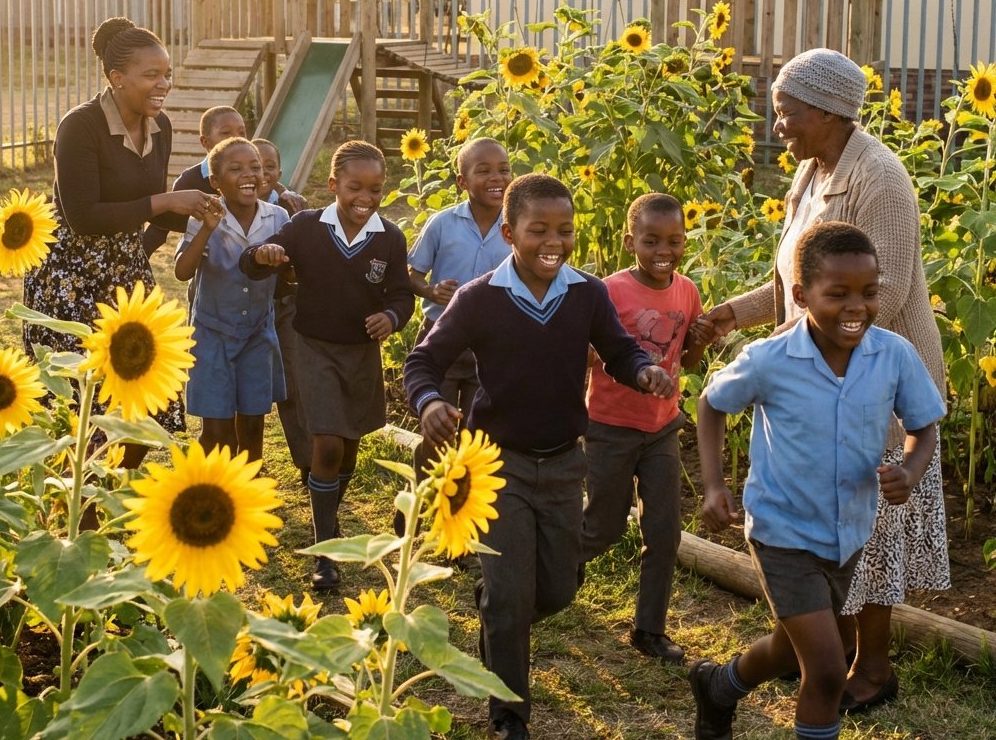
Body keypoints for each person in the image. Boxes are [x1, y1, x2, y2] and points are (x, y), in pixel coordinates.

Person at [705, 47, 949, 713]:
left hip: (878, 378)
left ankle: (871, 668)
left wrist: (783, 353)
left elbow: (886, 293)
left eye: (786, 112)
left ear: (829, 111)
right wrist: (732, 314)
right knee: (831, 515)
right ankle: (820, 648)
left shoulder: (881, 179)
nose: (777, 125)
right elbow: (802, 281)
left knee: (871, 525)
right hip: (822, 371)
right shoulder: (814, 170)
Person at [403, 173, 674, 740]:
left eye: (566, 230)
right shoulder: (480, 299)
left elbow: (618, 349)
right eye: (539, 230)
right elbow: (423, 361)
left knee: (557, 589)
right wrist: (428, 402)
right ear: (509, 232)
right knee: (511, 596)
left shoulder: (586, 293)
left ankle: (497, 607)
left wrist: (642, 369)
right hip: (497, 463)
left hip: (563, 462)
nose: (554, 241)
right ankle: (508, 716)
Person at [692, 222, 945, 740]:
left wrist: (911, 470)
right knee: (829, 667)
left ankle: (720, 686)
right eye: (839, 294)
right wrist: (714, 486)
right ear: (802, 295)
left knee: (792, 645)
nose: (857, 307)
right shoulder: (769, 360)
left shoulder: (893, 354)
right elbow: (711, 404)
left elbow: (923, 426)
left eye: (869, 293)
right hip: (781, 531)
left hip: (849, 532)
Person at [23, 16, 212, 455]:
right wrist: (167, 203)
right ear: (117, 78)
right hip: (68, 277)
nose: (163, 84)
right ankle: (79, 510)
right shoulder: (80, 126)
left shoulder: (159, 126)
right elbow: (83, 216)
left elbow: (151, 207)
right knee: (79, 402)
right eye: (151, 75)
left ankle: (107, 492)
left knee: (143, 400)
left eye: (167, 74)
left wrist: (212, 220)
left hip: (125, 269)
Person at [240, 140, 414, 590]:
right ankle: (324, 553)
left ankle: (330, 518)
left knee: (349, 448)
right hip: (312, 348)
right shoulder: (306, 227)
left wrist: (391, 316)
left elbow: (400, 294)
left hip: (360, 353)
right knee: (328, 445)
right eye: (355, 187)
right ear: (334, 185)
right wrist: (264, 255)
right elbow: (253, 261)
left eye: (375, 189)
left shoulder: (389, 237)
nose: (365, 198)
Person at [579, 192, 715, 663]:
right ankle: (549, 573)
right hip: (610, 426)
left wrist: (699, 341)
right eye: (652, 240)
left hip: (661, 428)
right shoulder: (608, 292)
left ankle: (648, 629)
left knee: (665, 532)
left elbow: (687, 359)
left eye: (675, 240)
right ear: (629, 241)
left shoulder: (687, 292)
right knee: (602, 526)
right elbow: (586, 355)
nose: (664, 250)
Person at [406, 137, 512, 490]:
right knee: (437, 430)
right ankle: (420, 498)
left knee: (479, 434)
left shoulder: (516, 229)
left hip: (493, 346)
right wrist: (430, 290)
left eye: (503, 170)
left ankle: (463, 509)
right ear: (462, 182)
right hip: (442, 338)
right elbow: (413, 272)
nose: (496, 178)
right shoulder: (442, 224)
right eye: (483, 171)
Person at [175, 137, 288, 462]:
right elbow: (182, 271)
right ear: (215, 181)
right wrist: (207, 230)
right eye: (235, 169)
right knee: (218, 431)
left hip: (257, 334)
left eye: (255, 167)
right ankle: (207, 482)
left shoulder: (277, 218)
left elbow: (292, 272)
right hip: (213, 336)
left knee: (252, 425)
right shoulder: (204, 217)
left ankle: (248, 493)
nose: (249, 175)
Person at [142, 107, 305, 257]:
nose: (236, 138)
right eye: (226, 133)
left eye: (242, 132)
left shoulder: (253, 176)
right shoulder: (189, 181)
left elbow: (267, 179)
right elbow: (161, 227)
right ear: (205, 142)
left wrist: (283, 191)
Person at [253, 136, 312, 486]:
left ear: (280, 172)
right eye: (254, 166)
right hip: (242, 306)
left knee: (293, 381)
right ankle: (246, 459)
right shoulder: (228, 206)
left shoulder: (292, 208)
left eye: (269, 167)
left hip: (285, 304)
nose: (261, 174)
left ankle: (307, 462)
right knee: (248, 387)